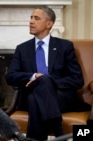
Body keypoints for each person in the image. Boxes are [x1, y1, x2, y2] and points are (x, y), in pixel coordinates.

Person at [5, 6, 84, 140]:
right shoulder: (22, 49)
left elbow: (77, 79)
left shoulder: (65, 46)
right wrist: (34, 76)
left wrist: (48, 81)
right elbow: (10, 76)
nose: (31, 21)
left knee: (37, 95)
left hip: (60, 97)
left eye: (36, 18)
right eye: (31, 18)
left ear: (49, 24)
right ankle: (58, 130)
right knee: (37, 90)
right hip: (30, 94)